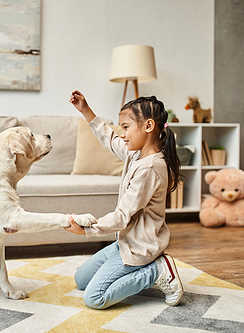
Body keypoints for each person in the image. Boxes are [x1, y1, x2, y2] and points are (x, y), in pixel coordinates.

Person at [65, 90, 183, 309]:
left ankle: (156, 271)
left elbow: (122, 216)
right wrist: (85, 110)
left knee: (95, 298)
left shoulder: (151, 168)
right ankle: (142, 268)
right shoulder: (136, 154)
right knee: (81, 280)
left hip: (140, 247)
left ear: (148, 127)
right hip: (125, 243)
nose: (122, 134)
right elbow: (109, 139)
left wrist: (87, 230)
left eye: (126, 127)